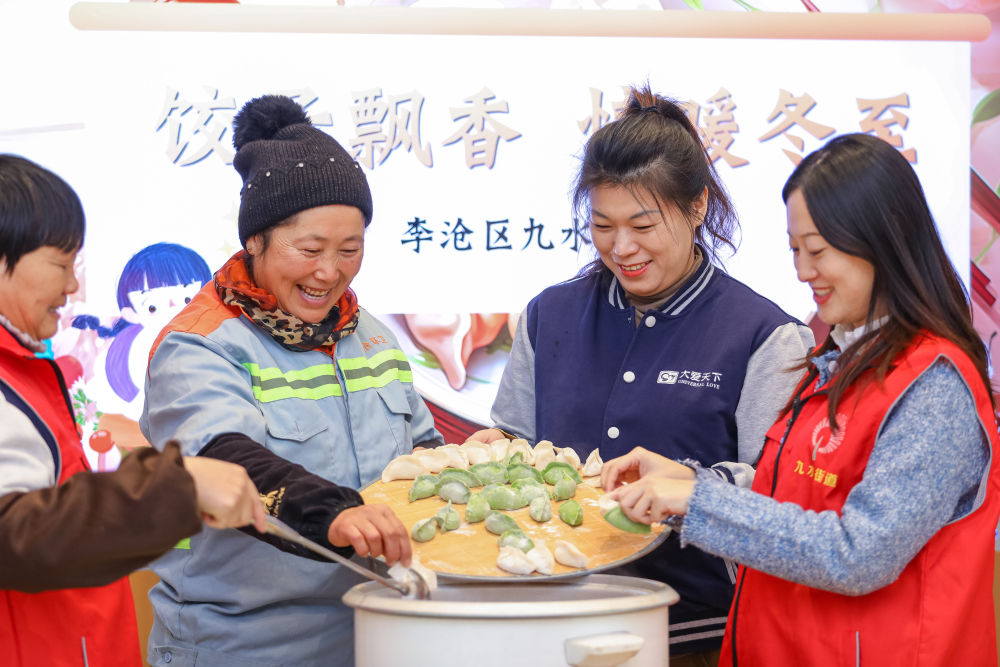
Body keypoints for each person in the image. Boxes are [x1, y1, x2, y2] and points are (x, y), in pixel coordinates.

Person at [602, 133, 1000, 666]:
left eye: (817, 250)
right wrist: (688, 481)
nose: (803, 271)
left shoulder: (933, 385)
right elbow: (796, 501)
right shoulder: (836, 360)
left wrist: (697, 503)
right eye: (795, 249)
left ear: (882, 240)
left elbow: (859, 554)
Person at [468, 86, 814, 662]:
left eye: (643, 225)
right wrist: (495, 451)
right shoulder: (548, 316)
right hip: (550, 624)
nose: (622, 247)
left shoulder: (764, 337)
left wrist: (689, 488)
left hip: (699, 636)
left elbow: (782, 498)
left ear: (697, 206)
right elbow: (517, 442)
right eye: (603, 225)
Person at [140, 94, 444, 667]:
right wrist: (335, 511)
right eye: (309, 250)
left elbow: (420, 457)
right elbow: (226, 459)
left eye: (350, 250)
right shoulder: (198, 342)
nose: (329, 272)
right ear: (254, 241)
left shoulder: (371, 335)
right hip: (245, 646)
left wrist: (465, 464)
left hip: (379, 633)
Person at [0, 153, 267, 667]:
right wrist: (177, 487)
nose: (72, 287)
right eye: (60, 264)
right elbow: (17, 533)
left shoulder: (25, 367)